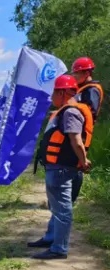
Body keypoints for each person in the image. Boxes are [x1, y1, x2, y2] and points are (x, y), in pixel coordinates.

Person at [28, 75, 93, 259]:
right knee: (57, 208)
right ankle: (50, 238)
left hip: (62, 169)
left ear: (63, 92)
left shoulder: (71, 112)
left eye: (54, 93)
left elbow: (76, 140)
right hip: (58, 168)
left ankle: (59, 249)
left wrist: (84, 160)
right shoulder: (66, 111)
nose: (51, 97)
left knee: (63, 210)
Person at [70, 57, 104, 204]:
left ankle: (70, 199)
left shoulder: (92, 90)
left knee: (78, 163)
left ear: (86, 73)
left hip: (82, 133)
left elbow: (88, 112)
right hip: (74, 130)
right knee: (70, 162)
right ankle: (65, 198)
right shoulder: (82, 89)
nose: (74, 77)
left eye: (76, 74)